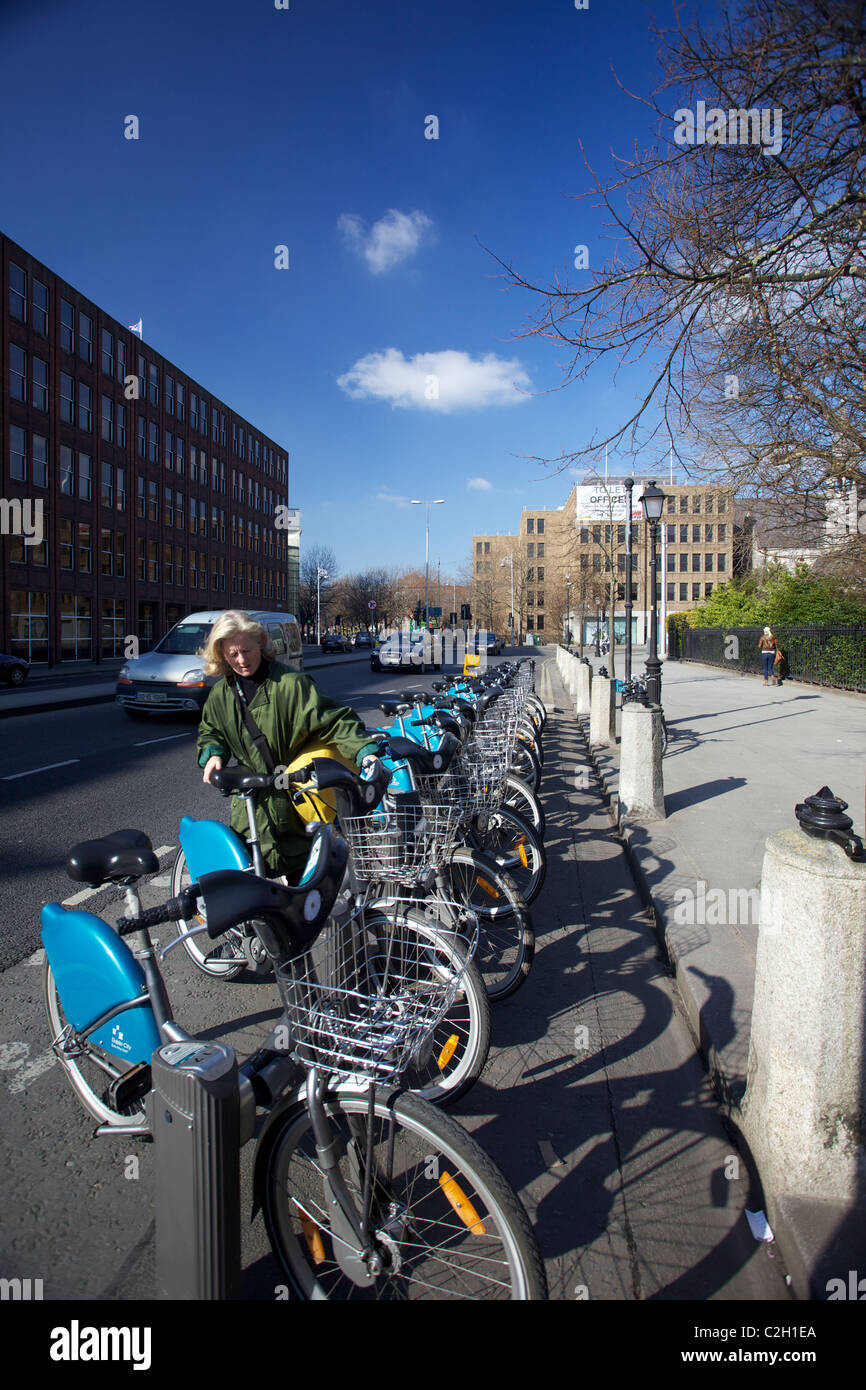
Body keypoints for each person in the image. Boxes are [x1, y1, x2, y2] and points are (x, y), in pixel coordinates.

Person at [196, 610, 381, 881]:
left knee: (309, 892)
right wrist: (213, 753)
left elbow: (333, 721)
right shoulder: (220, 695)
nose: (241, 660)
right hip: (252, 809)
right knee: (256, 891)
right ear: (221, 654)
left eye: (247, 650)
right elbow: (210, 731)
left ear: (260, 642)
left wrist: (365, 752)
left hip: (298, 804)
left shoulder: (292, 684)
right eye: (232, 654)